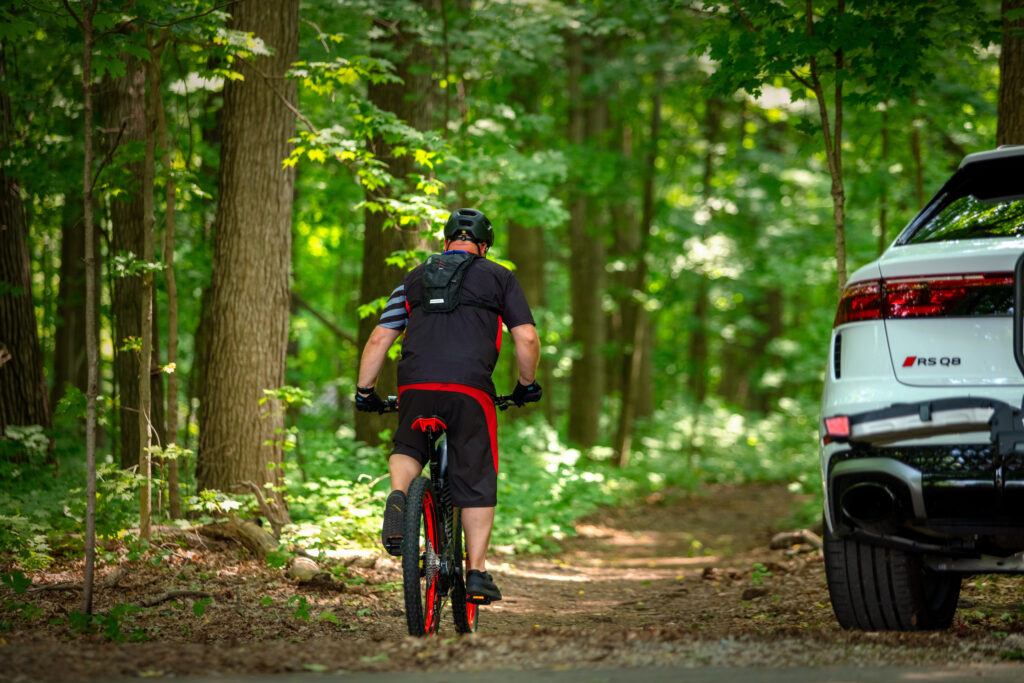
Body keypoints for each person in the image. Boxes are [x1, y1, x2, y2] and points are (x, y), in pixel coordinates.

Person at [354, 208, 542, 604]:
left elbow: (378, 339)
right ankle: (476, 574)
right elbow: (525, 338)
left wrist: (365, 392)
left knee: (408, 445)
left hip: (415, 385)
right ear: (485, 247)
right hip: (470, 389)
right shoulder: (499, 277)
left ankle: (400, 497)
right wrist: (525, 386)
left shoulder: (414, 278)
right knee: (474, 476)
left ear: (445, 242)